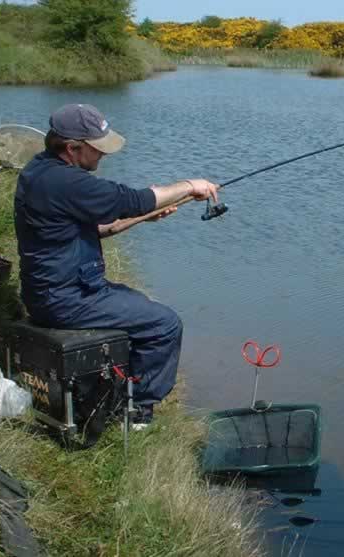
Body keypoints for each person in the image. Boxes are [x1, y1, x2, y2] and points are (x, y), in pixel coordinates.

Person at [14, 103, 219, 428]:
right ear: (72, 148)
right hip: (67, 299)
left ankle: (115, 390)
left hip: (55, 291)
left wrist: (144, 218)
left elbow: (102, 227)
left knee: (142, 306)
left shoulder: (40, 171)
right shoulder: (68, 183)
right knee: (165, 325)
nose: (103, 156)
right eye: (98, 149)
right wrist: (190, 185)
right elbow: (132, 199)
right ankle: (135, 412)